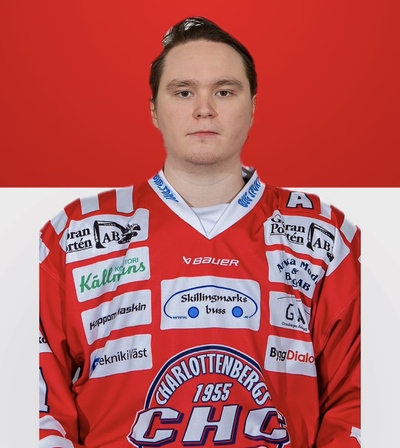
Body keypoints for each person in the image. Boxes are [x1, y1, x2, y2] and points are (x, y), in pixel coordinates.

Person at [39, 16, 361, 448]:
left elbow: (359, 397)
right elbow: (36, 400)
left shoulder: (325, 236)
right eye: (184, 92)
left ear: (253, 107)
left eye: (224, 91)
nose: (204, 109)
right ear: (154, 110)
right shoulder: (75, 235)